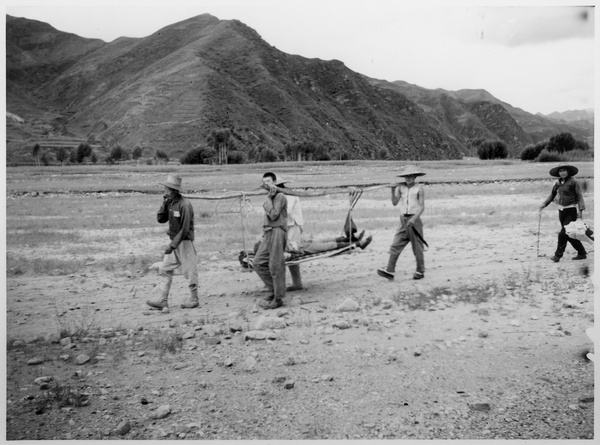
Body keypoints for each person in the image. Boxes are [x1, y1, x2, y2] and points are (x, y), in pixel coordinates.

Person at [147, 175, 199, 309]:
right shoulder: (170, 203)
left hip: (184, 242)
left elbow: (185, 228)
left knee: (190, 270)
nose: (165, 190)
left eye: (167, 188)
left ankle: (194, 299)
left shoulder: (184, 205)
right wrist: (163, 204)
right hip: (175, 242)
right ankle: (162, 300)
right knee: (164, 268)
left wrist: (172, 245)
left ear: (174, 190)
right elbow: (161, 219)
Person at [377, 165, 426, 280]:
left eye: (410, 176)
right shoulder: (401, 188)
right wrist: (392, 190)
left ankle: (420, 271)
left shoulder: (420, 189)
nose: (408, 178)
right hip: (403, 220)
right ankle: (390, 270)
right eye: (406, 176)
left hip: (414, 221)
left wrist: (414, 219)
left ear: (414, 177)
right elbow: (394, 202)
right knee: (395, 245)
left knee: (417, 247)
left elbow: (422, 207)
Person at [253, 172, 288, 309]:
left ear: (274, 182)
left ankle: (278, 298)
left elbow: (273, 215)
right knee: (258, 262)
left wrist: (268, 199)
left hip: (277, 232)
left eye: (268, 181)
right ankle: (273, 289)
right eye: (264, 182)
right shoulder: (272, 196)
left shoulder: (279, 196)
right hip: (268, 233)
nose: (266, 184)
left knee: (275, 265)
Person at [539, 163, 587, 262]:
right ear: (558, 173)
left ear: (568, 172)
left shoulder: (573, 182)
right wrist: (544, 204)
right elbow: (552, 195)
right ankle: (582, 252)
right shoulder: (557, 183)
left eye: (564, 170)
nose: (562, 173)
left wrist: (580, 210)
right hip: (561, 211)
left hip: (571, 211)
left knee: (563, 233)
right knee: (569, 234)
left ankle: (557, 256)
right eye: (560, 171)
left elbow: (579, 196)